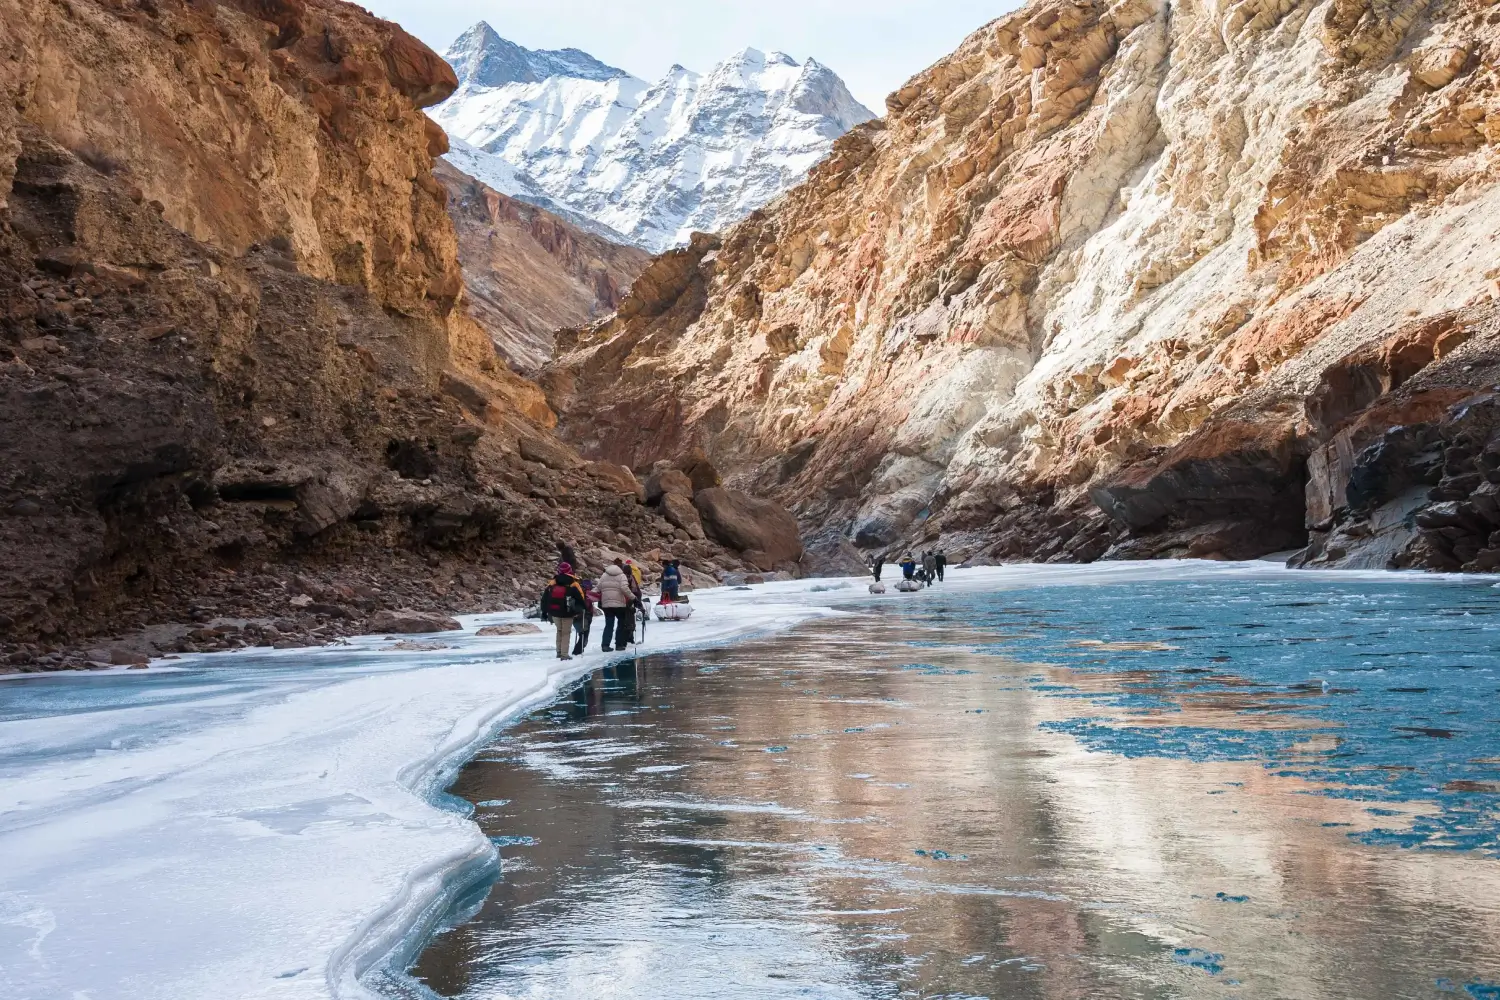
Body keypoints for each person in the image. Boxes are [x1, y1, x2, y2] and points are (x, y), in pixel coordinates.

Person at [538, 562, 588, 661]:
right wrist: (582, 609)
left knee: (559, 631)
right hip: (567, 613)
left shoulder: (552, 583)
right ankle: (564, 654)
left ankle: (558, 652)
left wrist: (544, 612)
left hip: (555, 612)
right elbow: (580, 598)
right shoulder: (573, 583)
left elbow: (544, 599)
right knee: (566, 633)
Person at [598, 560, 637, 651]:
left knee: (608, 624)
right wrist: (633, 597)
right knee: (621, 624)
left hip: (606, 604)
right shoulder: (622, 576)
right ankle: (619, 645)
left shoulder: (604, 576)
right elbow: (624, 588)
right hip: (619, 604)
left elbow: (598, 587)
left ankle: (605, 645)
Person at [573, 577, 599, 656]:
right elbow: (597, 597)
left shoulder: (576, 592)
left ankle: (578, 650)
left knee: (581, 633)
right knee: (584, 634)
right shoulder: (588, 593)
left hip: (575, 615)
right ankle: (577, 652)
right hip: (585, 615)